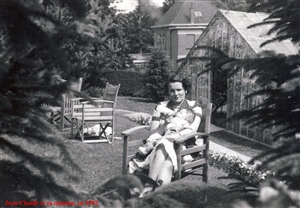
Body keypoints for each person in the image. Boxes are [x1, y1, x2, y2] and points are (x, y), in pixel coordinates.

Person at [130, 75, 202, 191]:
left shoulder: (194, 106)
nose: (176, 93)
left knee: (165, 153)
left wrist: (172, 137)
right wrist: (164, 125)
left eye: (179, 90)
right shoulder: (161, 107)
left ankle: (148, 188)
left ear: (186, 90)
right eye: (172, 90)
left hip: (184, 148)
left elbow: (192, 129)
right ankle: (155, 196)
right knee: (164, 151)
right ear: (168, 92)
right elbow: (152, 133)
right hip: (160, 147)